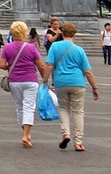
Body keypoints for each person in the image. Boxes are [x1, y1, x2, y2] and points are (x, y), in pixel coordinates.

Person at [41, 22, 100, 151]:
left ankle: (65, 133)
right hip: (77, 82)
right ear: (74, 34)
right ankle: (78, 142)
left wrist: (45, 80)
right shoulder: (79, 50)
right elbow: (88, 71)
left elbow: (49, 65)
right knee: (78, 112)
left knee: (63, 109)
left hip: (60, 82)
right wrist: (94, 87)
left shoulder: (55, 47)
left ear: (62, 33)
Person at [0, 21, 44, 150]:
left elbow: (1, 65)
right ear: (25, 32)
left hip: (14, 81)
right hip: (30, 80)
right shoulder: (31, 48)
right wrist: (45, 79)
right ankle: (26, 134)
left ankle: (25, 133)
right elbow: (40, 65)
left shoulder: (7, 47)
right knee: (29, 107)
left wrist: (10, 66)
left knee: (19, 107)